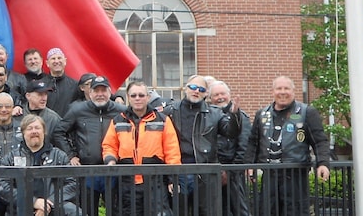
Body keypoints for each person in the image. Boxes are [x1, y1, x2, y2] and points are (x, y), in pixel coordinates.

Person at [244, 76, 331, 216]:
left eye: (286, 88)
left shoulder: (307, 112)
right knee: (267, 211)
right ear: (273, 91)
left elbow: (320, 141)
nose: (282, 92)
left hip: (295, 176)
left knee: (296, 212)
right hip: (269, 175)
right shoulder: (262, 114)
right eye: (279, 88)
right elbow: (253, 142)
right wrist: (248, 165)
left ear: (293, 91)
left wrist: (323, 163)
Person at [164, 74, 241, 215]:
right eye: (193, 87)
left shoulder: (215, 113)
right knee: (180, 211)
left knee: (207, 211)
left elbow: (230, 132)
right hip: (178, 171)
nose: (196, 91)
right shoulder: (171, 110)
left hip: (205, 172)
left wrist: (234, 114)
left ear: (206, 93)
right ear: (185, 89)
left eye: (201, 89)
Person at [102, 80, 181, 216]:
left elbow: (172, 150)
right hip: (126, 180)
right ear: (128, 97)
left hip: (155, 179)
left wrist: (173, 179)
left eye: (141, 95)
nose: (137, 98)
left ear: (148, 97)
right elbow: (109, 145)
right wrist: (110, 160)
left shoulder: (162, 120)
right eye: (133, 95)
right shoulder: (117, 120)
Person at [53, 76, 125, 216]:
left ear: (110, 92)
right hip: (87, 171)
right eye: (96, 90)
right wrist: (71, 155)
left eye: (103, 90)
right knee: (88, 211)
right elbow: (59, 132)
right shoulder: (77, 110)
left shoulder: (121, 111)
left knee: (116, 211)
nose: (100, 94)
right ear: (89, 93)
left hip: (114, 170)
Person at [0, 115, 81, 216]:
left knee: (74, 211)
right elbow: (3, 187)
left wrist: (48, 203)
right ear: (23, 133)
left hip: (55, 206)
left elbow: (72, 184)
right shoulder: (10, 158)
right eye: (30, 128)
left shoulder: (59, 156)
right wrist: (33, 202)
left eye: (37, 128)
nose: (34, 131)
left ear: (44, 131)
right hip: (21, 207)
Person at [209, 80, 252, 216]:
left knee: (238, 209)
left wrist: (230, 171)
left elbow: (243, 147)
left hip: (233, 172)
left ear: (229, 95)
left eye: (223, 93)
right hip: (213, 171)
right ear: (210, 98)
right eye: (216, 95)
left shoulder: (240, 117)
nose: (220, 97)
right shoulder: (208, 117)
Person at [44, 47, 78, 117]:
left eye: (59, 58)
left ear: (65, 61)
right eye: (53, 58)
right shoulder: (42, 85)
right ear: (47, 63)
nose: (56, 61)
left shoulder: (75, 85)